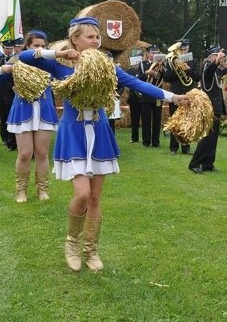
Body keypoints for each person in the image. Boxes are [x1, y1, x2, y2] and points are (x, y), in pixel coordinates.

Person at [19, 16, 188, 272]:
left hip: (99, 132)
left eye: (98, 37)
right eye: (90, 36)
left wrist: (174, 96)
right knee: (82, 194)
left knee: (96, 197)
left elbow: (138, 84)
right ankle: (72, 243)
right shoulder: (62, 64)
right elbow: (26, 58)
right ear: (75, 38)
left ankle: (91, 250)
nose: (96, 41)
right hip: (73, 132)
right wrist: (58, 53)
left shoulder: (108, 66)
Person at [0, 30, 59, 203]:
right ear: (27, 47)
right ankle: (21, 191)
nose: (41, 49)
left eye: (44, 46)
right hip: (23, 109)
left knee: (42, 153)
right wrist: (1, 70)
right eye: (36, 46)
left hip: (44, 108)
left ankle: (42, 190)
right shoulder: (17, 61)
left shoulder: (50, 62)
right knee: (25, 154)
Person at [188, 45, 227, 174]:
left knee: (213, 139)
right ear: (211, 56)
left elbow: (218, 73)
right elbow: (209, 73)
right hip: (210, 108)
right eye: (218, 55)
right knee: (206, 138)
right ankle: (194, 163)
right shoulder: (208, 66)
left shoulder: (215, 69)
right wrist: (217, 61)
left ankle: (208, 164)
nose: (221, 57)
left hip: (216, 108)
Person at [162, 39, 200, 154]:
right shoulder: (171, 61)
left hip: (188, 94)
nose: (183, 51)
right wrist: (176, 68)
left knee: (187, 121)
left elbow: (197, 78)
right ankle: (173, 148)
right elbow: (166, 77)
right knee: (174, 121)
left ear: (189, 49)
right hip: (176, 95)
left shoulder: (193, 61)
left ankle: (186, 147)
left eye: (185, 49)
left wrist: (188, 70)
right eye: (181, 50)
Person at [136, 45, 163, 148]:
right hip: (146, 95)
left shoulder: (161, 65)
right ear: (148, 54)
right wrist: (147, 73)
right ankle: (146, 142)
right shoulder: (142, 65)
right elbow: (138, 80)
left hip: (157, 95)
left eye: (156, 52)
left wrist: (161, 69)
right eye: (152, 52)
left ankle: (156, 142)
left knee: (157, 119)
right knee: (146, 119)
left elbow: (164, 77)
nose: (154, 54)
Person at [0, 40, 17, 150]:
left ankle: (12, 139)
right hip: (3, 90)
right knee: (4, 115)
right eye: (7, 48)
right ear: (3, 48)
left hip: (13, 89)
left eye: (11, 48)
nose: (9, 50)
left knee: (13, 115)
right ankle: (5, 137)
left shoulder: (16, 58)